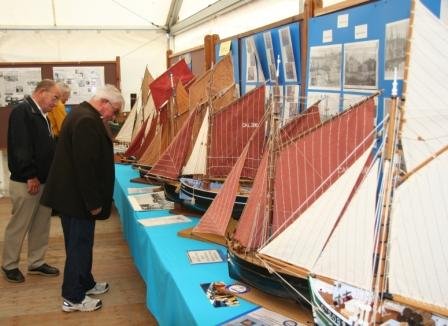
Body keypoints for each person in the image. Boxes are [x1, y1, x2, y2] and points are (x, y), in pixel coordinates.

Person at [41, 84, 124, 312]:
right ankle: (73, 297)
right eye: (114, 111)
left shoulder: (82, 113)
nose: (114, 116)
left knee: (81, 244)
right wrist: (93, 203)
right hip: (77, 200)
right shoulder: (86, 120)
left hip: (73, 198)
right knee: (79, 246)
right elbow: (84, 167)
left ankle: (85, 282)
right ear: (104, 103)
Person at [1, 79, 61, 283]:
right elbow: (21, 147)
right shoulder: (23, 112)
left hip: (43, 180)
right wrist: (30, 175)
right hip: (29, 181)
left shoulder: (40, 113)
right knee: (20, 225)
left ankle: (36, 262)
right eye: (55, 97)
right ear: (42, 92)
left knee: (40, 224)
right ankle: (9, 264)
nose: (56, 103)